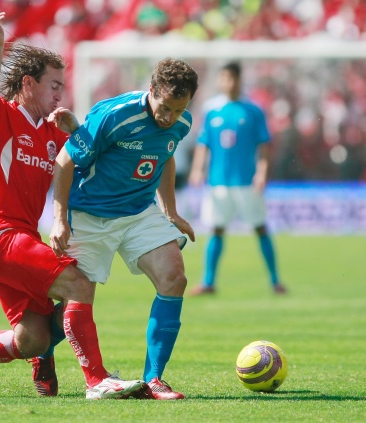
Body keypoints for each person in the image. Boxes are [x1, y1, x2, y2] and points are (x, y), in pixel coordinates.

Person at [0, 8, 145, 400]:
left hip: (17, 241)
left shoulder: (52, 134)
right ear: (28, 83)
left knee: (33, 339)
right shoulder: (5, 117)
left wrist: (76, 132)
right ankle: (97, 379)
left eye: (62, 85)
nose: (60, 93)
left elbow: (90, 166)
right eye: (54, 85)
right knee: (78, 283)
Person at [47, 58, 199, 400]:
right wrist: (59, 219)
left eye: (179, 110)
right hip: (90, 213)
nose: (169, 117)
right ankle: (41, 351)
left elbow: (166, 155)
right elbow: (64, 162)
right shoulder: (114, 115)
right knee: (75, 299)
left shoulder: (181, 122)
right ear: (152, 90)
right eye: (164, 108)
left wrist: (170, 211)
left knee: (174, 276)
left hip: (137, 212)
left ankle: (154, 379)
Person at [188, 61, 286, 296]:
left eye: (232, 78)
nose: (228, 83)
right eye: (224, 78)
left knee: (260, 228)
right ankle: (208, 282)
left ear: (240, 80)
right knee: (217, 229)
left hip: (247, 181)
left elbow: (264, 146)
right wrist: (197, 169)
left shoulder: (252, 110)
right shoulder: (212, 110)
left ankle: (275, 281)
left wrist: (262, 173)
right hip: (218, 182)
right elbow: (203, 144)